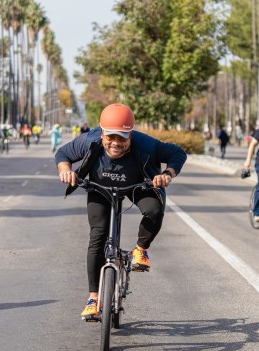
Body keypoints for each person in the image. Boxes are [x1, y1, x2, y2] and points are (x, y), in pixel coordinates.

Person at [55, 103, 187, 320]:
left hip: (138, 186)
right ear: (102, 133)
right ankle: (93, 298)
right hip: (99, 188)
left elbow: (177, 153)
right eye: (111, 137)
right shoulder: (89, 140)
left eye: (122, 138)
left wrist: (167, 174)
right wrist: (66, 170)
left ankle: (140, 249)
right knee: (97, 237)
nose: (116, 143)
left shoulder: (145, 144)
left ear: (130, 135)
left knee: (154, 209)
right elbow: (63, 154)